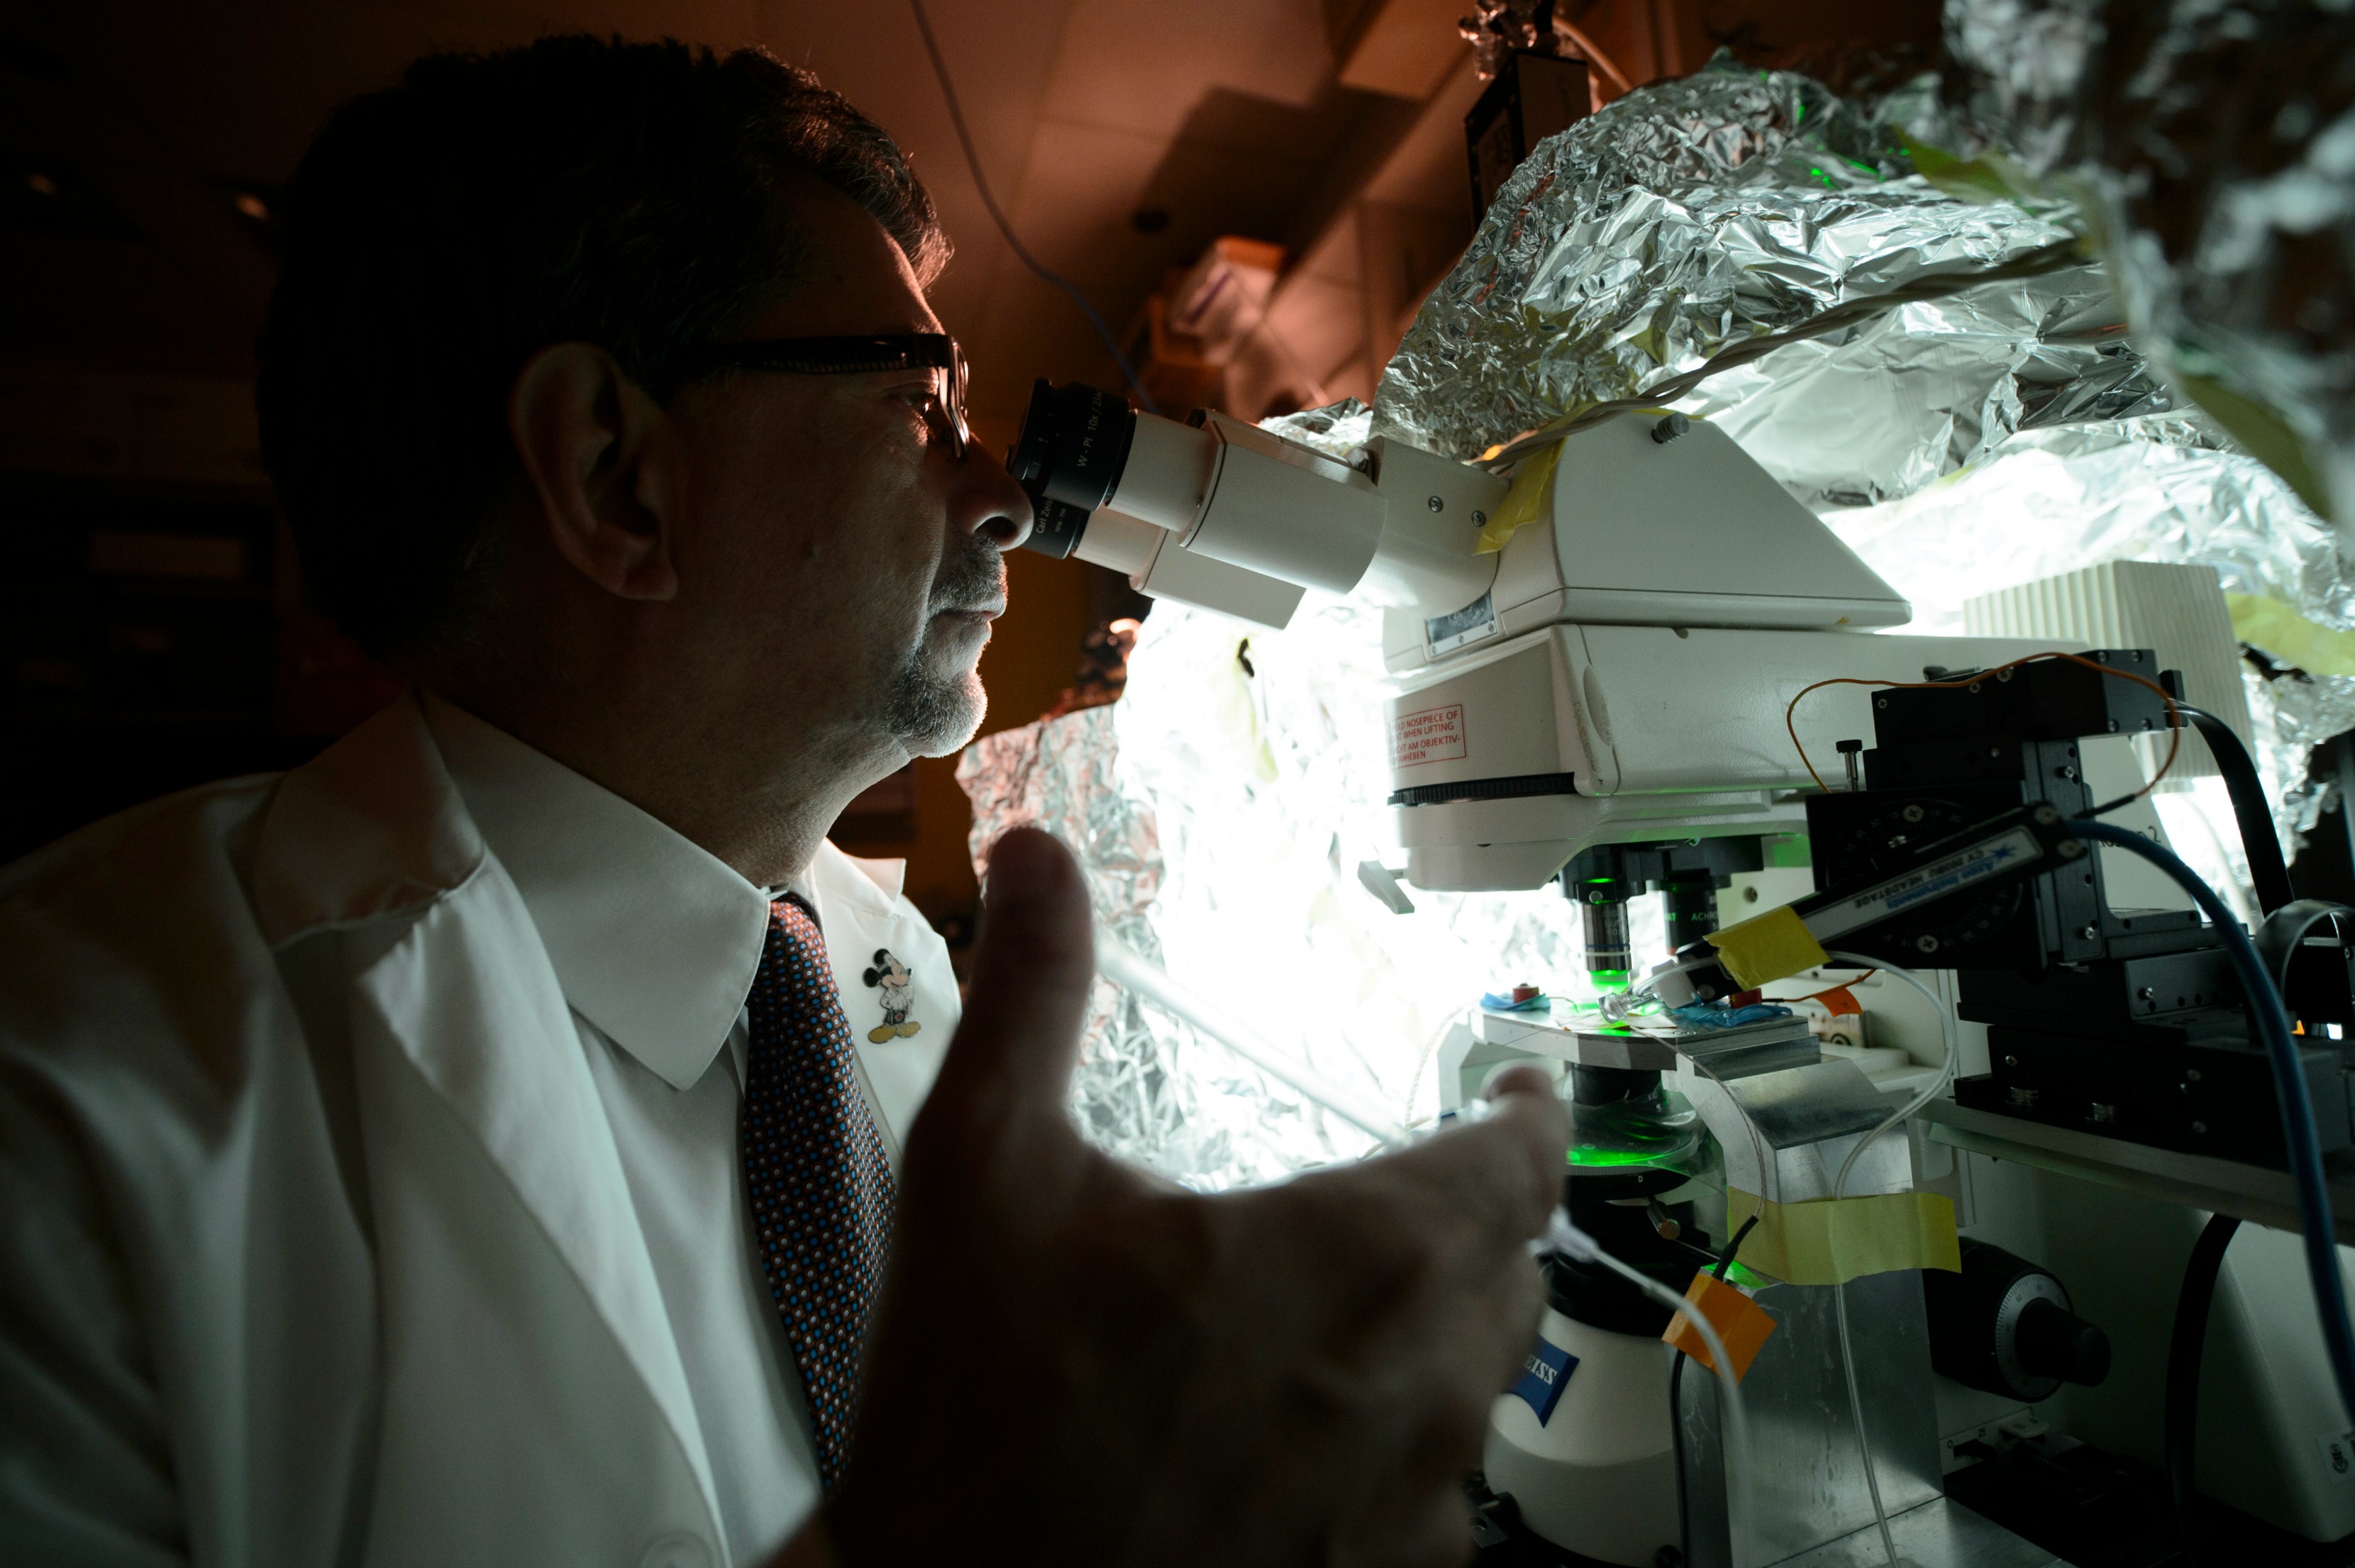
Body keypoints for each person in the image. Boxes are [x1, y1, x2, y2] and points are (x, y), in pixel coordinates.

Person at [0, 35, 1569, 1568]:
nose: (1003, 494)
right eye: (917, 400)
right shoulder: (73, 1097)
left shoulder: (883, 970)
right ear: (617, 474)